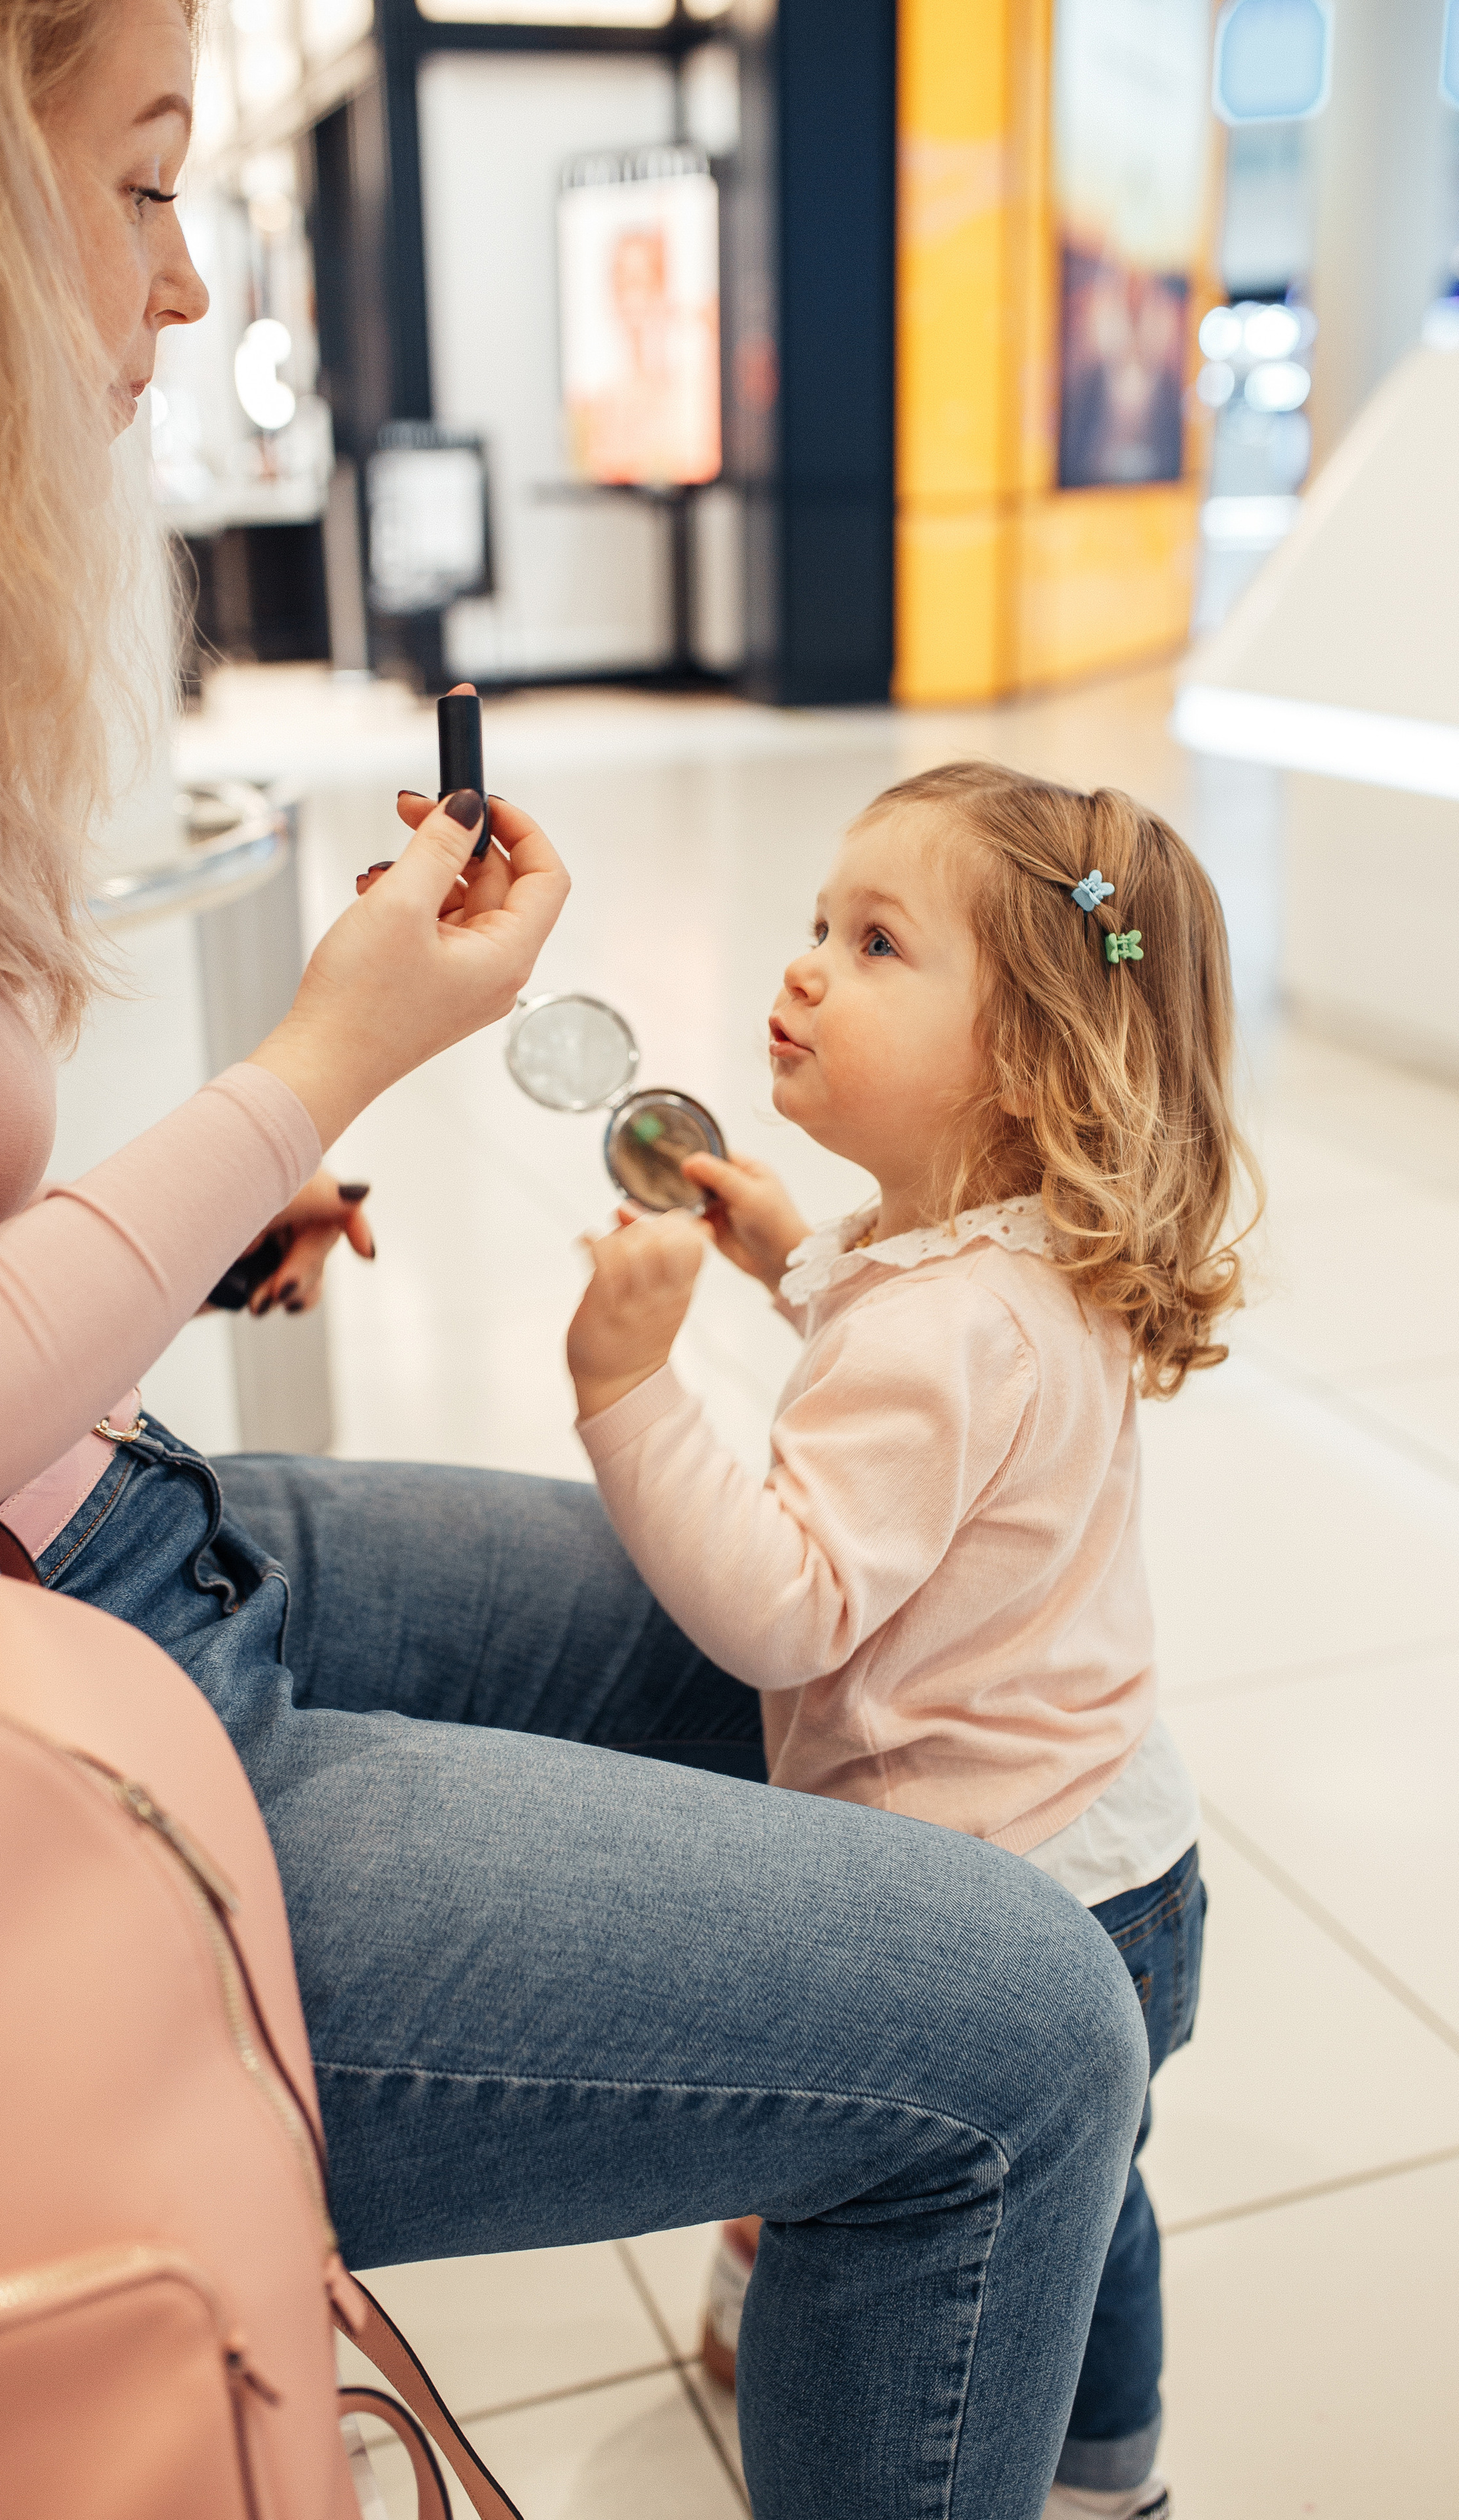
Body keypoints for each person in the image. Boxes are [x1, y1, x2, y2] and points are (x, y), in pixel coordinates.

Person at [0, 3, 1151, 2512]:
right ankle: (909, 2227)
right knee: (1037, 2034)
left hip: (114, 1524)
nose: (182, 285)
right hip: (12, 1726)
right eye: (143, 183)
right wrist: (313, 1074)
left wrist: (196, 1223)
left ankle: (852, 2255)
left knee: (797, 1700)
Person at [566, 763, 1261, 2520]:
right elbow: (931, 1356)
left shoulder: (937, 1331)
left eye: (877, 944)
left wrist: (628, 1392)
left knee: (954, 2181)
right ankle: (1113, 2471)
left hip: (996, 1903)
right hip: (1121, 1849)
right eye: (818, 922)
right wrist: (793, 1256)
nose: (805, 968)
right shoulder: (1016, 1257)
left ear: (1021, 1063)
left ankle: (1034, 2452)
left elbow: (786, 1606)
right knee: (1097, 2207)